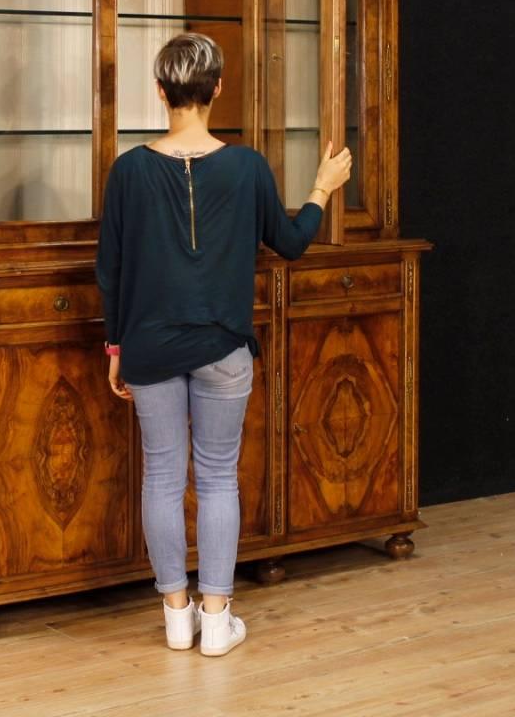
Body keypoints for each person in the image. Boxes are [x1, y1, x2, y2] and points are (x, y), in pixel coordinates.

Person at [95, 32, 351, 657]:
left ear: (160, 91)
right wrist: (322, 187)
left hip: (149, 347)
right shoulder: (247, 166)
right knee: (215, 478)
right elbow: (290, 244)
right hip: (224, 348)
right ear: (217, 89)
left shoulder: (128, 170)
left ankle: (176, 618)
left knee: (161, 474)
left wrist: (115, 349)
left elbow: (111, 268)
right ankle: (217, 619)